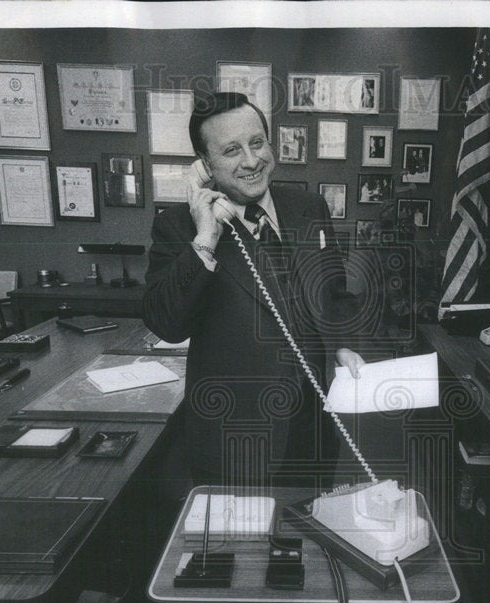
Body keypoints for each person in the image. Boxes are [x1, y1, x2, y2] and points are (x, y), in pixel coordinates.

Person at [144, 92, 365, 488]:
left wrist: (344, 342)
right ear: (205, 166)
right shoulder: (179, 227)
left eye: (257, 142)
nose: (251, 160)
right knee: (238, 547)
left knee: (308, 542)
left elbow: (334, 292)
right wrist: (206, 237)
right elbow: (167, 323)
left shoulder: (309, 207)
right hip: (235, 437)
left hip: (312, 426)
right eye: (231, 150)